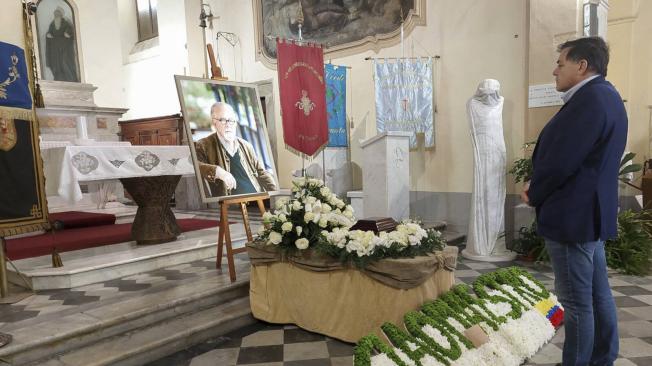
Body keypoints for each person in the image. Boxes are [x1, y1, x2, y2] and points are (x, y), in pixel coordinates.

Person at [521, 37, 626, 366]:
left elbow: (562, 162)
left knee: (576, 302)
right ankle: (601, 359)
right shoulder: (607, 97)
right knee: (597, 295)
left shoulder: (589, 101)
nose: (555, 70)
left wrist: (534, 191)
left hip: (572, 218)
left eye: (561, 63)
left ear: (582, 66)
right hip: (589, 215)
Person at [195, 102, 277, 197]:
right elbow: (196, 165)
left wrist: (275, 193)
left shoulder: (246, 145)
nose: (228, 124)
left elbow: (262, 173)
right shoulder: (203, 145)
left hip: (256, 196)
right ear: (214, 122)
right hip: (232, 204)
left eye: (231, 120)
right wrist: (218, 172)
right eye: (223, 120)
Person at [45, 6, 79, 82]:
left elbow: (70, 32)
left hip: (64, 48)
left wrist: (68, 34)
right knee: (56, 65)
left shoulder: (66, 23)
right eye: (55, 14)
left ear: (61, 14)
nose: (56, 15)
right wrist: (48, 35)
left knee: (66, 63)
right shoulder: (52, 24)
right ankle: (58, 78)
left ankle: (71, 79)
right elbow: (49, 33)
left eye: (57, 14)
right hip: (55, 49)